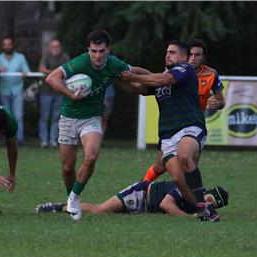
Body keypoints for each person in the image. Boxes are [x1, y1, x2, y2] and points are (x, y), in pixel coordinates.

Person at [45, 29, 151, 220]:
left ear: (108, 50)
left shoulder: (113, 64)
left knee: (91, 157)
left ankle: (75, 198)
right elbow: (51, 78)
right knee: (68, 167)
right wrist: (71, 95)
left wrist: (158, 79)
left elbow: (134, 71)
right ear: (89, 50)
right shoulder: (80, 62)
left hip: (92, 118)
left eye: (101, 51)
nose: (97, 55)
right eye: (94, 51)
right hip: (69, 117)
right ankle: (71, 197)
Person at [122, 40, 209, 215]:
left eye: (172, 52)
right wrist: (116, 74)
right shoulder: (161, 79)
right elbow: (137, 88)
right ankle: (202, 212)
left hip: (190, 126)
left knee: (184, 156)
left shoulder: (185, 70)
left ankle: (206, 209)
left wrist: (132, 76)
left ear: (184, 57)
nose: (167, 54)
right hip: (168, 135)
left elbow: (162, 79)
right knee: (180, 182)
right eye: (167, 52)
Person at [142, 39, 226, 190]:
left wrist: (218, 103)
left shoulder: (211, 75)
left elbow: (222, 102)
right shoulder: (177, 71)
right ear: (185, 56)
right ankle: (142, 185)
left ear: (203, 57)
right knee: (160, 166)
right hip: (175, 124)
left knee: (188, 162)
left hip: (193, 123)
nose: (193, 58)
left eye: (197, 55)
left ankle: (186, 199)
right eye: (191, 54)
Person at [35, 180, 228, 221]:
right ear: (206, 192)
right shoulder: (189, 189)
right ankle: (56, 207)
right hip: (140, 195)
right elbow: (165, 204)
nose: (209, 204)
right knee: (100, 210)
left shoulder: (202, 205)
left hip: (147, 209)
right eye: (210, 199)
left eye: (213, 204)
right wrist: (190, 217)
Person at [0, 36, 31, 145]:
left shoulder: (20, 57)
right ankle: (7, 139)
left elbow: (27, 71)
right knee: (5, 116)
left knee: (18, 116)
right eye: (5, 44)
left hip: (17, 90)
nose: (7, 46)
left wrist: (25, 73)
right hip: (4, 90)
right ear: (2, 46)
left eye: (9, 44)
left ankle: (19, 140)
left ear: (12, 45)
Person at [38, 37, 70, 148]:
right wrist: (55, 73)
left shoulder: (64, 56)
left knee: (56, 118)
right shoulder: (46, 55)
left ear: (60, 47)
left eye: (57, 46)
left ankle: (53, 140)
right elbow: (41, 68)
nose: (55, 48)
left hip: (59, 92)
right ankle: (43, 141)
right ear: (49, 47)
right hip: (46, 92)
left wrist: (54, 74)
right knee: (44, 117)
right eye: (53, 46)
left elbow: (70, 69)